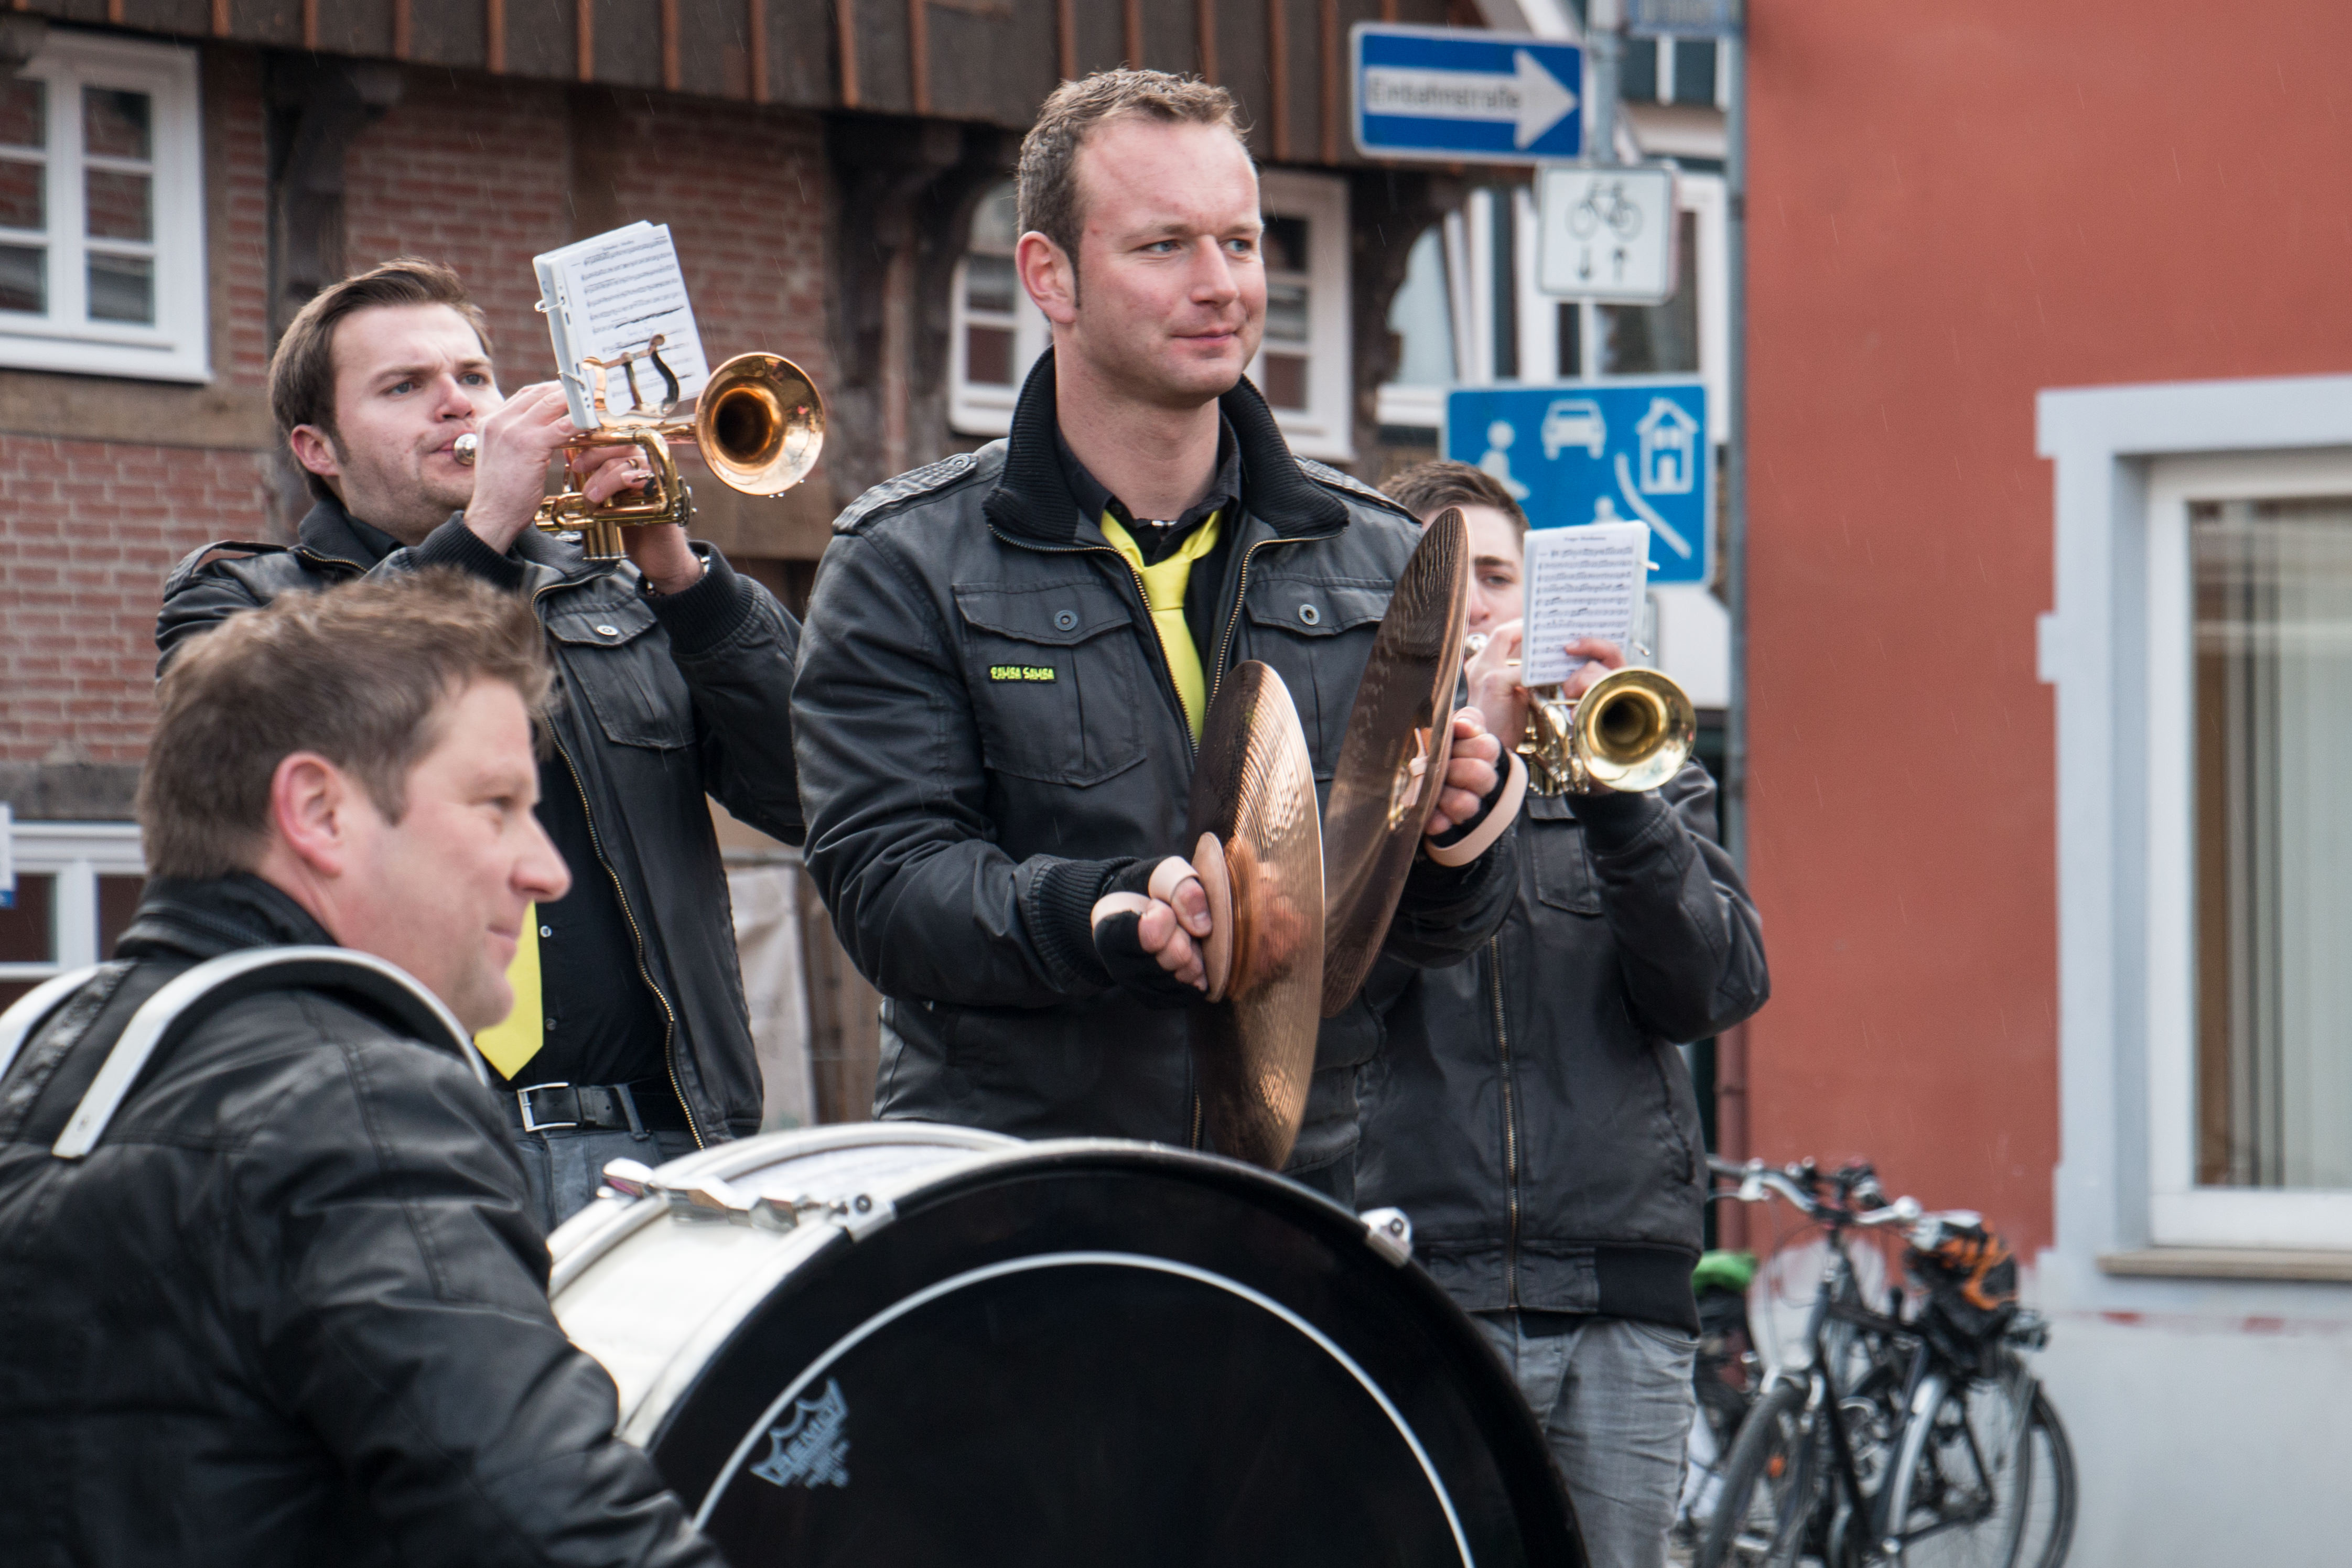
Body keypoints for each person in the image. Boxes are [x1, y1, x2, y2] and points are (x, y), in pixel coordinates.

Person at [791, 71, 1516, 1195]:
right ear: (1049, 275)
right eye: (1164, 246)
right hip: (1017, 1197)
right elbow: (889, 889)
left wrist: (1462, 835)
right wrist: (1104, 915)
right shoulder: (905, 558)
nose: (1220, 284)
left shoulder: (1377, 557)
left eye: (1241, 242)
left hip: (1299, 1201)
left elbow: (1421, 936)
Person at [0, 572, 721, 1567]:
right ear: (318, 811)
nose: (546, 870)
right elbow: (568, 1540)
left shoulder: (42, 1056)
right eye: (498, 806)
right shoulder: (359, 1107)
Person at [155, 258, 805, 1226]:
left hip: (655, 1143)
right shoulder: (242, 602)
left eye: (473, 376)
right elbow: (269, 773)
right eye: (404, 386)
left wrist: (678, 573)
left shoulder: (615, 593)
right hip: (390, 1150)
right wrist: (485, 530)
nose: (456, 404)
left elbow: (816, 792)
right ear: (318, 447)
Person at [1354, 461, 1771, 1568]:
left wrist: (1618, 802)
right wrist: (1441, 793)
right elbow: (1332, 1003)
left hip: (1615, 1292)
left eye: (1496, 577)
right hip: (1418, 1281)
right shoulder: (1342, 777)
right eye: (1442, 577)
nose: (1475, 604)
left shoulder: (1628, 757)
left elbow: (1714, 988)